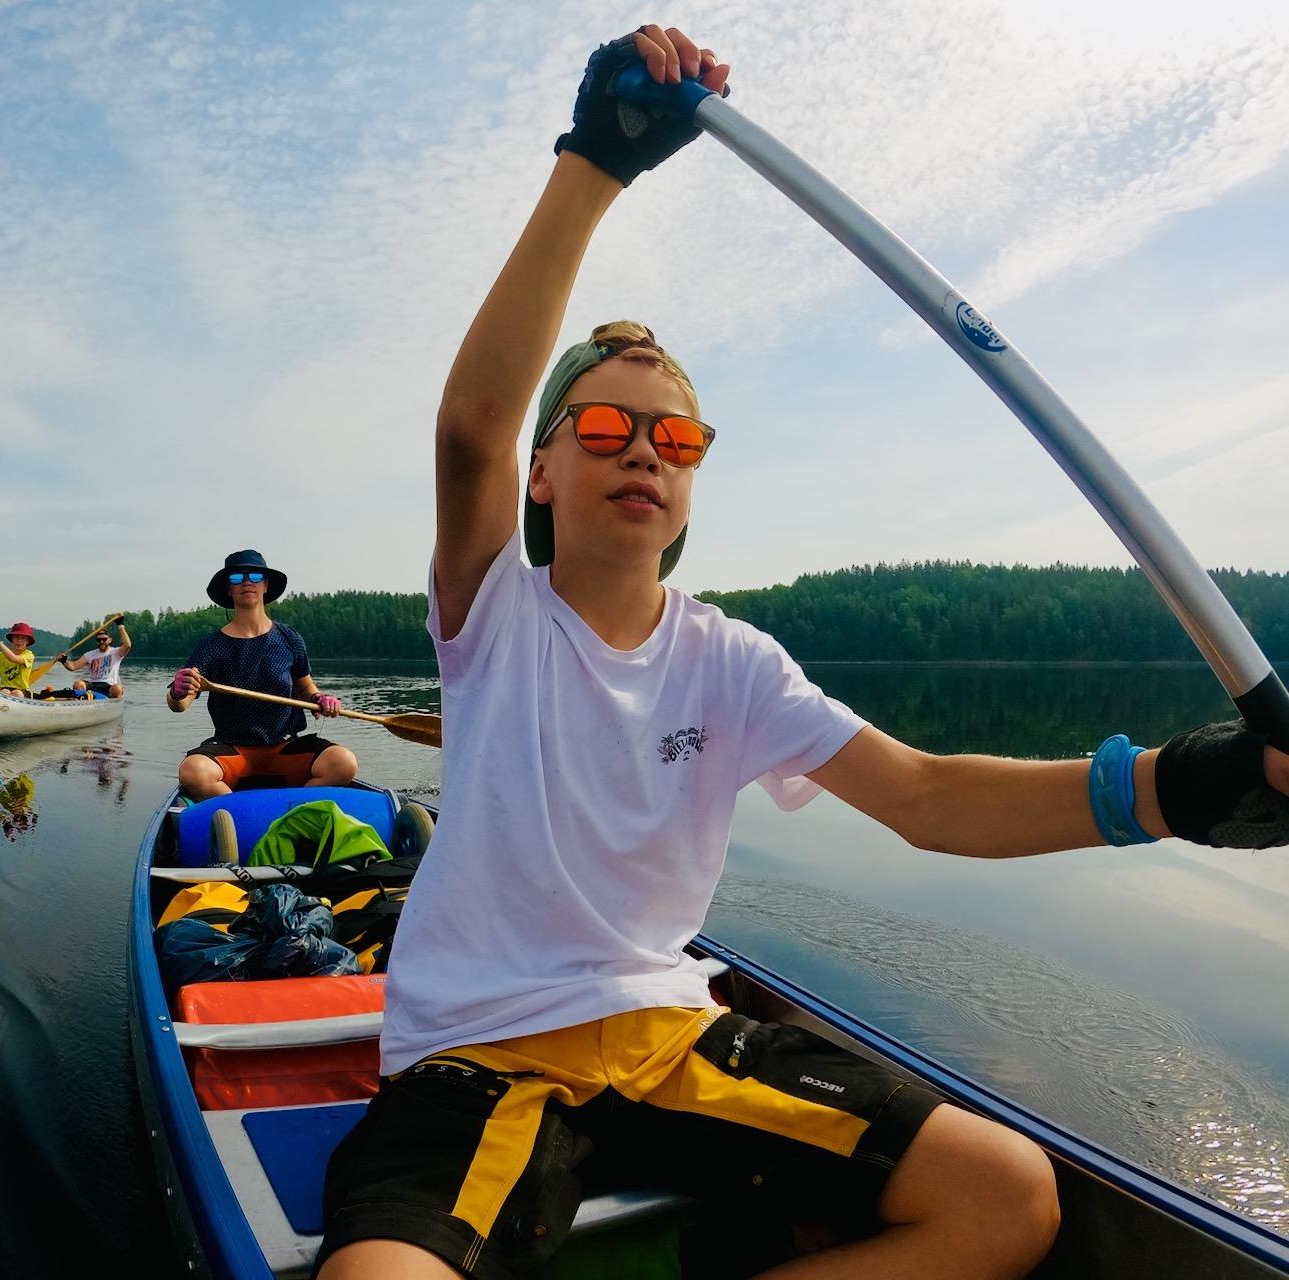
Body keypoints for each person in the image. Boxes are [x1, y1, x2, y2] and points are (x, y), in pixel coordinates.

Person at [316, 24, 1289, 1280]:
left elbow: (929, 797)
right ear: (542, 470)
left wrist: (1183, 788)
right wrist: (596, 161)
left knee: (1007, 1197)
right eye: (605, 425)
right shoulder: (493, 611)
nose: (645, 448)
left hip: (670, 1038)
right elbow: (471, 424)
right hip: (478, 1054)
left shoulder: (733, 661)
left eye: (676, 437)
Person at [167, 549, 358, 798]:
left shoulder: (289, 639)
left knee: (344, 763)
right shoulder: (211, 646)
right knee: (193, 771)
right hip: (233, 751)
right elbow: (179, 704)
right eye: (237, 577)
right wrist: (177, 691)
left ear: (266, 585)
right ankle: (239, 814)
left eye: (255, 576)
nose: (247, 582)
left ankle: (294, 808)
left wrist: (319, 699)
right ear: (228, 589)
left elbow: (305, 688)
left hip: (285, 748)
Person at [62, 617, 131, 697]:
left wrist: (120, 625)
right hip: (93, 684)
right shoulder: (90, 655)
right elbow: (73, 666)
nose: (101, 642)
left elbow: (127, 645)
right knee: (78, 684)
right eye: (99, 640)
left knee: (117, 688)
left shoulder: (116, 652)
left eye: (104, 639)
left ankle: (111, 699)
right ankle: (81, 699)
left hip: (109, 686)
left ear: (110, 640)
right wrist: (63, 661)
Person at [0, 623, 37, 697]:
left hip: (22, 690)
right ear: (12, 639)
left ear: (27, 641)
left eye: (23, 638)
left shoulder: (29, 655)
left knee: (16, 693)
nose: (19, 641)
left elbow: (14, 659)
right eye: (17, 637)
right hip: (4, 689)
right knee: (5, 692)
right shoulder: (1, 655)